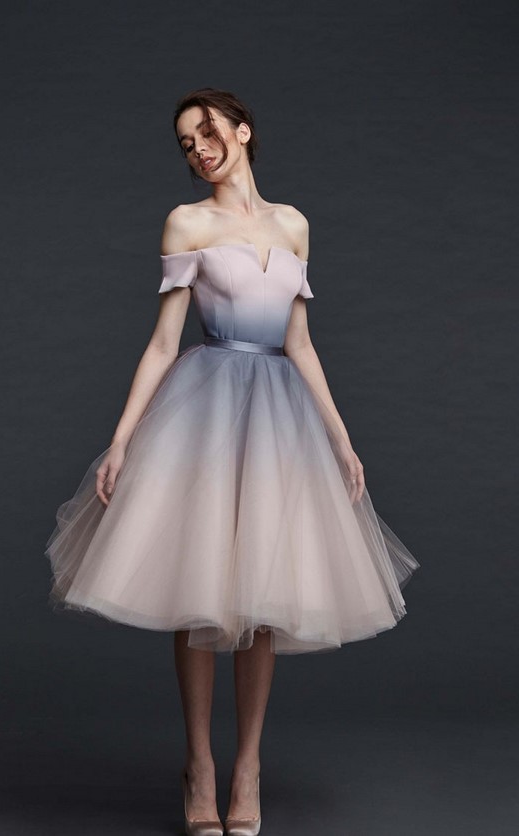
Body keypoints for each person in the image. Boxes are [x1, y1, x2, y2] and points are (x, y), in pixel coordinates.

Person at [44, 87, 419, 836]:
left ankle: (247, 768)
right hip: (207, 410)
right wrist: (122, 439)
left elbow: (300, 342)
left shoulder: (294, 224)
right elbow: (164, 342)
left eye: (208, 132)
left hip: (279, 416)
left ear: (243, 131)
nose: (198, 149)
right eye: (186, 143)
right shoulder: (189, 222)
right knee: (200, 587)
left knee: (263, 596)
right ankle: (200, 768)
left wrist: (342, 439)